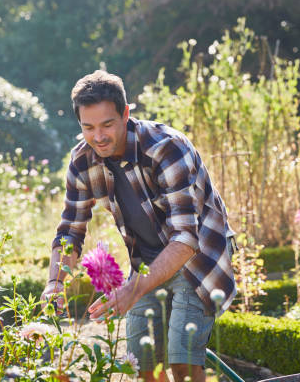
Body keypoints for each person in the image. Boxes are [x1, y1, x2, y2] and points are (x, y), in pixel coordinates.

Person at [41, 70, 237, 382]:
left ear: (126, 113)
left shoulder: (166, 148)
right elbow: (70, 232)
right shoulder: (82, 161)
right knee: (142, 363)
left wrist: (132, 290)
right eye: (88, 127)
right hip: (147, 263)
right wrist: (55, 282)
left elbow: (186, 239)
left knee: (182, 360)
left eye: (107, 124)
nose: (99, 136)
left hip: (198, 257)